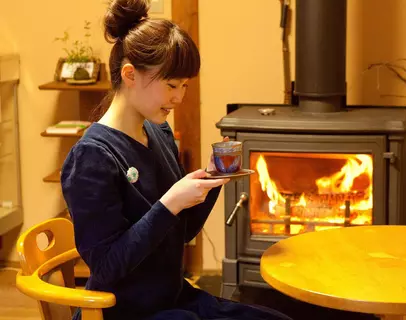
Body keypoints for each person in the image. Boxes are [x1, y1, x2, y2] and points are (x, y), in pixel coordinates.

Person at [60, 1, 293, 319]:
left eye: (184, 86)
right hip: (124, 310)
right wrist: (169, 203)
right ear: (130, 74)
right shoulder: (93, 157)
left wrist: (211, 180)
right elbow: (107, 266)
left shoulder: (158, 132)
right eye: (171, 85)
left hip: (171, 297)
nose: (179, 97)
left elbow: (180, 232)